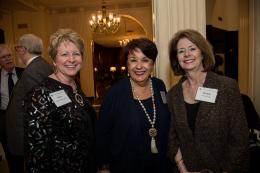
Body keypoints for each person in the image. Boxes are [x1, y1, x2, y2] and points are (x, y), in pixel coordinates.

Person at [167, 29, 249, 173]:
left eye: (192, 48)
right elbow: (172, 138)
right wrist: (183, 169)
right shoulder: (173, 95)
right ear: (176, 58)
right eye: (181, 51)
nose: (187, 54)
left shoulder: (227, 87)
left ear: (202, 52)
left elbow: (240, 138)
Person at [24, 28, 97, 173]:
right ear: (54, 60)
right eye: (64, 54)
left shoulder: (74, 86)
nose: (71, 59)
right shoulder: (41, 93)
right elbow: (36, 151)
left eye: (76, 53)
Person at [96, 38, 171, 173]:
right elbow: (103, 134)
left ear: (152, 64)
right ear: (127, 64)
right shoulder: (114, 94)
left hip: (160, 165)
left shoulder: (159, 86)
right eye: (133, 60)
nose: (139, 66)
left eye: (145, 60)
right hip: (126, 165)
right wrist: (104, 167)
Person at [5, 34, 53, 173]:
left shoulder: (34, 70)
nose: (17, 52)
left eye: (17, 48)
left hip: (30, 136)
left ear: (23, 49)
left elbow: (40, 107)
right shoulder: (39, 65)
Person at [0, 44, 23, 168]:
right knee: (11, 156)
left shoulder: (23, 73)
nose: (8, 59)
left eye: (9, 55)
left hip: (22, 119)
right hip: (4, 120)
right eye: (4, 57)